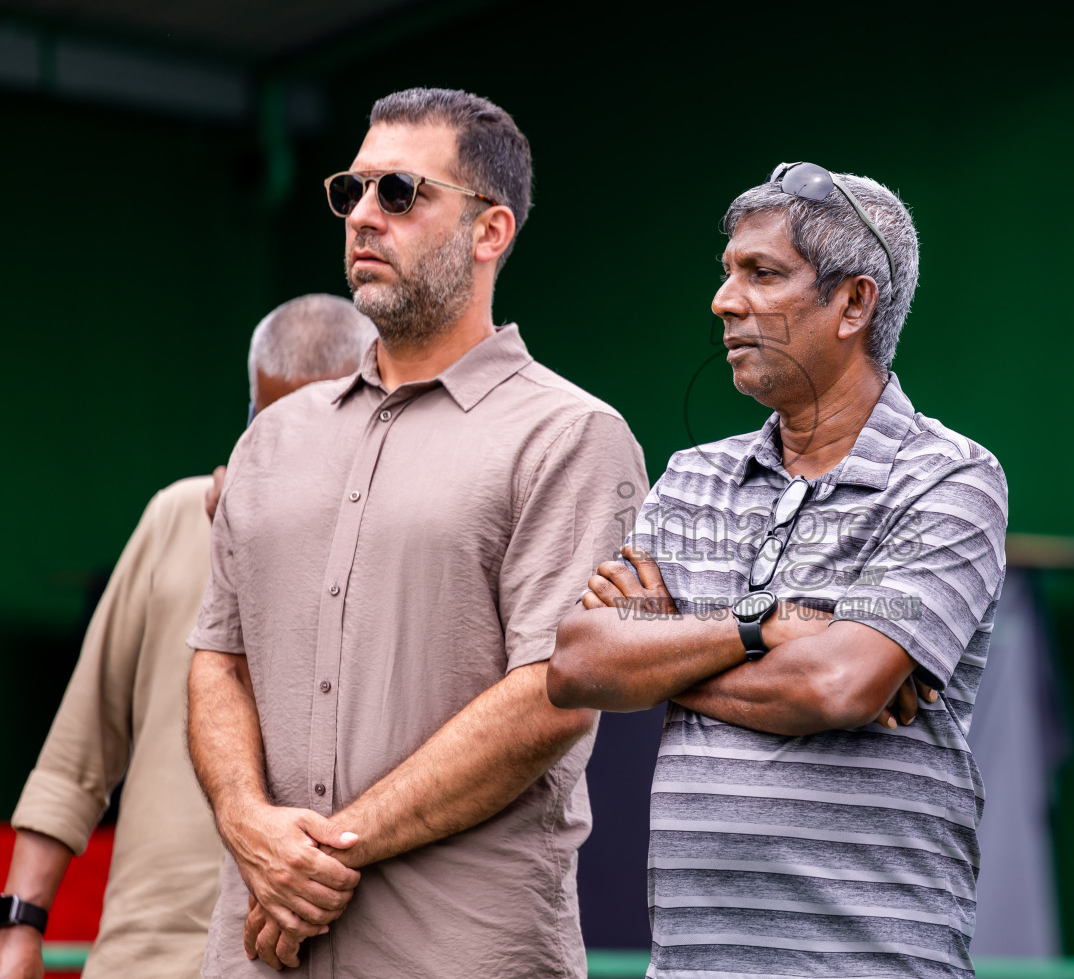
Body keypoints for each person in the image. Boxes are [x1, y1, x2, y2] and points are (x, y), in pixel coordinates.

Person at [186, 87, 647, 978]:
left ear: (491, 231)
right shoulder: (273, 438)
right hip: (257, 951)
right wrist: (246, 821)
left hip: (456, 952)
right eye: (350, 191)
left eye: (399, 193)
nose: (362, 215)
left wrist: (323, 852)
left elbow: (552, 692)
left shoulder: (570, 435)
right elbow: (218, 659)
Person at [548, 162, 1009, 978]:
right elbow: (580, 662)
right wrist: (762, 627)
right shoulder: (694, 475)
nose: (725, 301)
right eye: (728, 274)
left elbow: (835, 687)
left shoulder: (949, 477)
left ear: (854, 303)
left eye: (761, 273)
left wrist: (661, 656)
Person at [0, 295, 375, 979]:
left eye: (314, 427)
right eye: (269, 424)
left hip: (302, 958)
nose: (283, 448)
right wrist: (19, 929)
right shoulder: (177, 518)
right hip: (144, 959)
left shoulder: (397, 548)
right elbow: (76, 756)